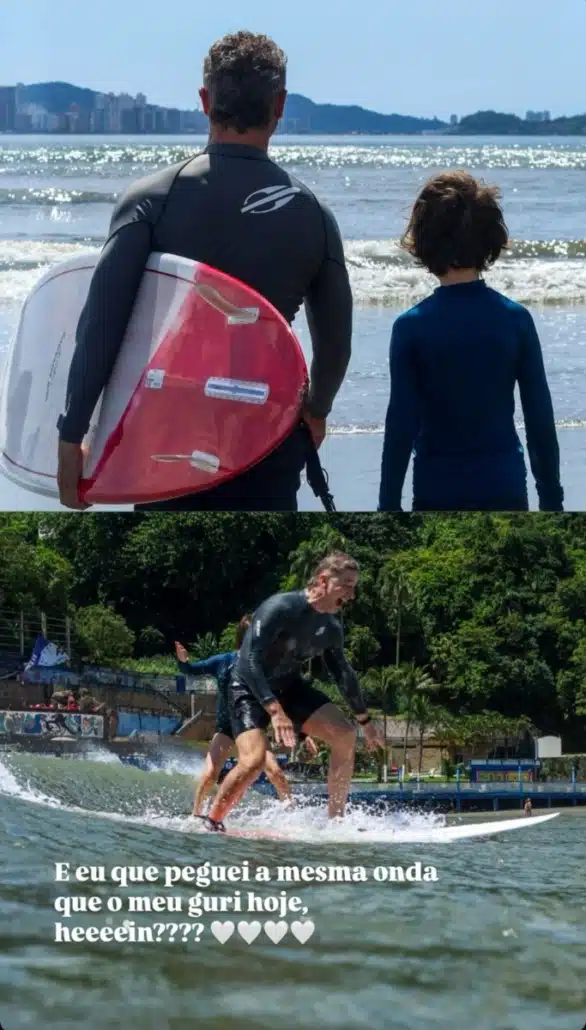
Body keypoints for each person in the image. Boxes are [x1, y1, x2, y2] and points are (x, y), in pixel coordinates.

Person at [57, 30, 352, 513]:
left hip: (165, 440)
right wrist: (316, 410)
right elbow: (336, 344)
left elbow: (101, 326)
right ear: (280, 105)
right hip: (265, 439)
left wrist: (73, 432)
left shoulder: (153, 198)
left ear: (204, 100)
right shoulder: (315, 216)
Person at [378, 170, 563, 513]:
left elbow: (401, 425)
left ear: (423, 240)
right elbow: (539, 419)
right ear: (490, 238)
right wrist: (551, 497)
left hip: (436, 488)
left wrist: (388, 503)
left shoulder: (411, 327)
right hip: (504, 482)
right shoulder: (514, 320)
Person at [201, 552, 383, 832]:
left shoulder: (331, 627)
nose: (351, 594)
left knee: (345, 733)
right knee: (254, 761)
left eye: (354, 586)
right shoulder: (280, 608)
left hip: (289, 685)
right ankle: (212, 822)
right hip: (248, 686)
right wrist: (275, 711)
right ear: (323, 580)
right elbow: (249, 662)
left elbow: (342, 673)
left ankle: (335, 823)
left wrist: (366, 723)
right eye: (346, 585)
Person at [174, 617, 317, 816]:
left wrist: (303, 734)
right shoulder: (224, 661)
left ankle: (292, 816)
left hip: (252, 730)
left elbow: (284, 705)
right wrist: (183, 661)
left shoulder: (268, 669)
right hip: (226, 727)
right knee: (209, 775)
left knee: (276, 773)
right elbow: (191, 670)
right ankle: (196, 816)